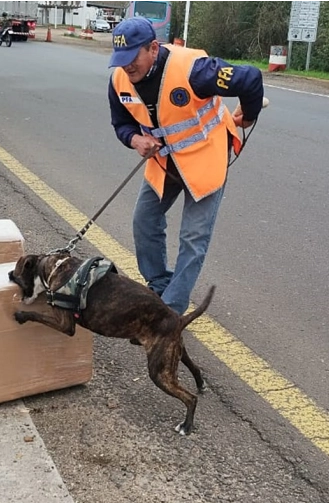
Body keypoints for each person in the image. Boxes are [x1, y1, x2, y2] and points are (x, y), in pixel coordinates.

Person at [107, 17, 264, 317]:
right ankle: (159, 285)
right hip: (165, 162)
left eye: (132, 59)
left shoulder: (195, 70)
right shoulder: (118, 81)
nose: (127, 67)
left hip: (206, 157)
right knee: (144, 221)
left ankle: (169, 311)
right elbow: (121, 124)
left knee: (193, 238)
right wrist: (135, 140)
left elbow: (251, 78)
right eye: (120, 60)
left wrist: (249, 114)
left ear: (153, 48)